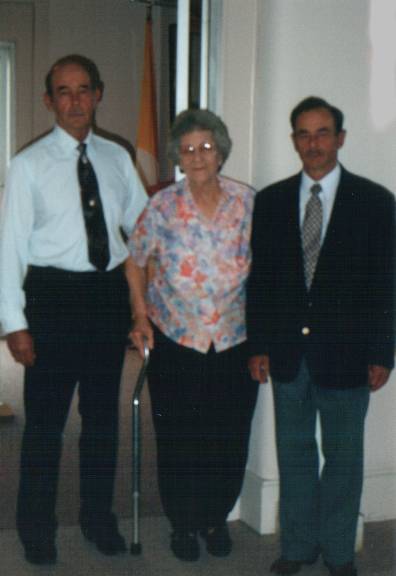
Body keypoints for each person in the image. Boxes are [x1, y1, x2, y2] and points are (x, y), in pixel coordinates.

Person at [0, 54, 147, 565]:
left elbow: (139, 234)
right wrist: (14, 323)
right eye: (64, 91)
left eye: (84, 89)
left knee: (102, 421)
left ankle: (97, 519)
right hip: (54, 301)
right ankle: (36, 529)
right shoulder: (28, 165)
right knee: (44, 424)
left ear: (99, 94)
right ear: (49, 101)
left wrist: (139, 307)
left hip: (105, 299)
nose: (76, 100)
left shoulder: (117, 157)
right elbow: (10, 249)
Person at [246, 96, 395, 576]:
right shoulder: (269, 202)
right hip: (288, 354)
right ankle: (296, 547)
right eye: (304, 134)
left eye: (323, 133)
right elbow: (261, 281)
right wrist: (259, 345)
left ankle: (338, 551)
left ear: (341, 138)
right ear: (294, 141)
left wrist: (382, 352)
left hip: (349, 356)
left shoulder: (375, 201)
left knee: (345, 457)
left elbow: (386, 282)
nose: (313, 143)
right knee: (294, 456)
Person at [126, 109, 259, 562]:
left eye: (205, 147)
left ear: (220, 151)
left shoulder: (246, 202)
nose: (197, 156)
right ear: (177, 157)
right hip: (177, 339)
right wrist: (141, 316)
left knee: (228, 434)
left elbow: (268, 268)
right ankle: (183, 524)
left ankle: (216, 518)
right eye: (187, 149)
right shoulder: (163, 205)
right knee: (180, 436)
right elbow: (135, 259)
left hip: (233, 340)